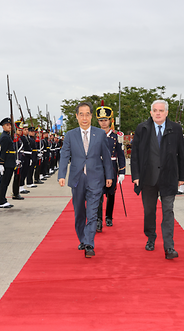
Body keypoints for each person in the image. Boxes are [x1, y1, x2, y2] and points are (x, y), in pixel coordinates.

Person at [131, 99, 184, 259]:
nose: (158, 113)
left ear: (166, 112)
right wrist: (135, 176)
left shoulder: (176, 129)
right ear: (150, 112)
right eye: (155, 110)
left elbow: (182, 155)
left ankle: (169, 247)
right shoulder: (142, 128)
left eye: (161, 110)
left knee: (168, 211)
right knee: (149, 211)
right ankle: (151, 237)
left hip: (169, 177)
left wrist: (182, 177)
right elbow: (135, 155)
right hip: (147, 178)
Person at [58, 102, 113, 258]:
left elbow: (107, 157)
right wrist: (61, 175)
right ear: (76, 116)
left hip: (96, 178)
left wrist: (109, 176)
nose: (84, 117)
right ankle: (82, 238)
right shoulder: (70, 135)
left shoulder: (100, 134)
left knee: (93, 211)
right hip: (77, 179)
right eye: (81, 114)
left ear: (91, 116)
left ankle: (89, 243)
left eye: (87, 114)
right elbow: (64, 156)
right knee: (79, 212)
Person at [96, 103, 126, 232]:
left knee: (111, 194)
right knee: (97, 194)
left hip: (112, 167)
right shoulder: (93, 135)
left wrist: (122, 171)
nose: (103, 123)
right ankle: (98, 220)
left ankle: (109, 216)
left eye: (106, 120)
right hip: (97, 167)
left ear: (110, 120)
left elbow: (121, 155)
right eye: (101, 120)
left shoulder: (116, 136)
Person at [0, 117, 16, 208]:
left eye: (10, 125)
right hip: (7, 163)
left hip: (10, 162)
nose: (9, 127)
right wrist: (1, 163)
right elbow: (3, 151)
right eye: (7, 125)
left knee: (6, 182)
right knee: (4, 182)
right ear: (3, 127)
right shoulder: (5, 137)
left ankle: (3, 199)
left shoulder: (8, 135)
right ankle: (1, 201)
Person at [12, 121, 25, 199]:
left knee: (19, 176)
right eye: (19, 130)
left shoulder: (19, 138)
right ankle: (15, 193)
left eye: (21, 130)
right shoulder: (15, 138)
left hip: (20, 159)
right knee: (16, 177)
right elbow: (14, 149)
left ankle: (16, 192)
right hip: (16, 159)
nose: (20, 131)